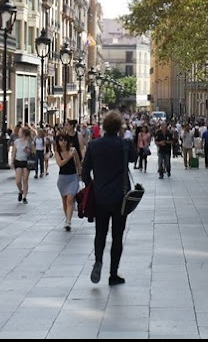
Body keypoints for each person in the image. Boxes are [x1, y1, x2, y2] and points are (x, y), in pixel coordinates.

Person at [81, 110, 138, 286]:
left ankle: (98, 260)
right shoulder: (124, 144)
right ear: (119, 127)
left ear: (104, 126)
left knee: (100, 233)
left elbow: (84, 173)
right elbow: (134, 158)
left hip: (100, 197)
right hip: (121, 198)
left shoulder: (94, 145)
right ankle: (113, 274)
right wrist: (127, 139)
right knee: (117, 236)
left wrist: (93, 185)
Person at [54, 133, 81, 231]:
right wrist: (69, 156)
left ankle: (68, 221)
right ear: (58, 142)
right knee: (64, 201)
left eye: (65, 140)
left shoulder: (73, 150)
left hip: (73, 177)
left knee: (70, 199)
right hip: (62, 178)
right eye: (61, 140)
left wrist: (80, 174)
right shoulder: (57, 152)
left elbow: (78, 164)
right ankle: (67, 219)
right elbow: (60, 164)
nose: (63, 142)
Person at [10, 126, 33, 204]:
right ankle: (21, 191)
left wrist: (28, 150)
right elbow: (13, 152)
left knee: (25, 180)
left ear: (23, 133)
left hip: (26, 162)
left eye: (20, 132)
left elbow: (33, 152)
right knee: (18, 181)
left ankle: (24, 197)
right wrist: (12, 162)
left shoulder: (29, 142)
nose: (18, 133)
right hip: (18, 161)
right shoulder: (16, 141)